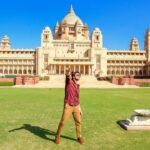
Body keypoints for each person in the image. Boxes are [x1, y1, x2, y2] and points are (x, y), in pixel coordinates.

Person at [55, 67, 84, 144]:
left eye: (80, 75)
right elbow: (67, 75)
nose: (79, 76)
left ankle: (79, 137)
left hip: (76, 106)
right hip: (68, 105)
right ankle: (57, 136)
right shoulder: (69, 82)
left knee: (78, 122)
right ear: (73, 76)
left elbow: (77, 97)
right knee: (63, 122)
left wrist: (80, 108)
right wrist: (68, 71)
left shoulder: (78, 86)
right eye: (78, 75)